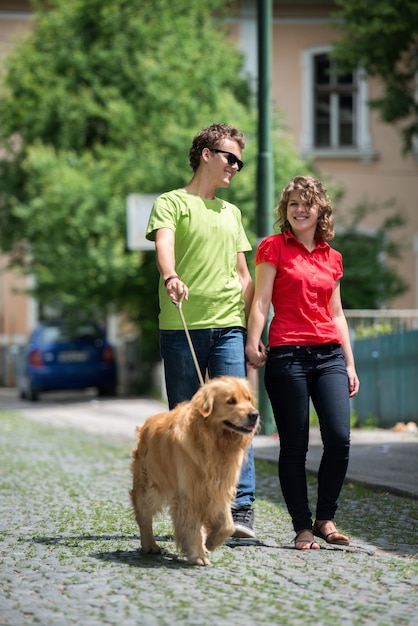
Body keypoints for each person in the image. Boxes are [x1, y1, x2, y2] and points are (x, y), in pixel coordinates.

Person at [145, 123, 256, 538]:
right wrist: (171, 275)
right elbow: (164, 244)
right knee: (187, 421)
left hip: (228, 324)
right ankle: (191, 504)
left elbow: (244, 275)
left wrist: (250, 330)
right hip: (183, 325)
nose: (235, 167)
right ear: (206, 154)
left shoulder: (232, 213)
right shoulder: (171, 202)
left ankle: (238, 508)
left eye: (241, 163)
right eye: (230, 157)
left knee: (241, 416)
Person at [245, 175, 360, 550]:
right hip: (287, 354)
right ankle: (302, 527)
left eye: (306, 203)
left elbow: (337, 313)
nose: (299, 210)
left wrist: (349, 363)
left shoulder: (332, 256)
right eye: (293, 203)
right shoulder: (273, 247)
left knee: (340, 439)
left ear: (320, 209)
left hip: (328, 354)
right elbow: (261, 300)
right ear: (286, 210)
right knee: (294, 446)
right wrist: (252, 340)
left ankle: (325, 517)